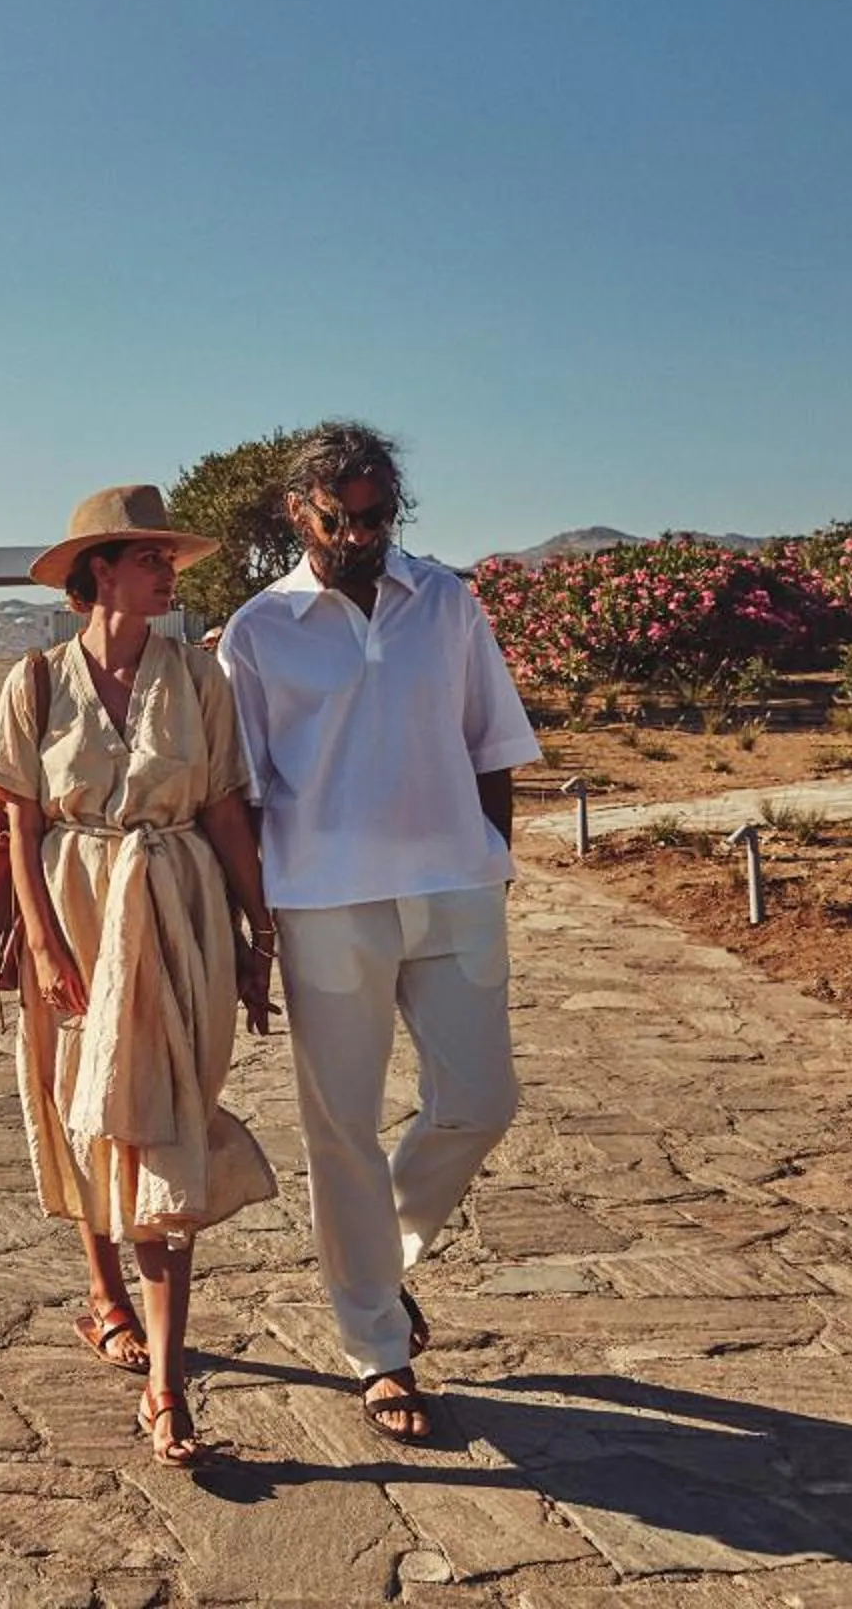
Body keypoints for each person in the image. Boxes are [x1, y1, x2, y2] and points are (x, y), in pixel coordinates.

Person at [215, 422, 541, 1447]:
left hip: (454, 886)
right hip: (323, 899)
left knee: (481, 1100)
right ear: (296, 513)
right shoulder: (258, 630)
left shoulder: (445, 600)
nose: (359, 533)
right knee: (340, 1128)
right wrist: (256, 917)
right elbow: (246, 787)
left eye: (375, 515)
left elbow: (493, 738)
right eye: (338, 516)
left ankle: (378, 1261)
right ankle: (376, 1345)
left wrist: (491, 853)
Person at [0, 484, 279, 1469]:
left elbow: (227, 806)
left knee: (164, 1117)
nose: (167, 572)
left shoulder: (198, 678)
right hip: (71, 906)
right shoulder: (35, 681)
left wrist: (258, 925)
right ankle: (107, 1299)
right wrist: (45, 940)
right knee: (80, 1107)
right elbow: (21, 823)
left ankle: (167, 1379)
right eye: (151, 557)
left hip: (179, 909)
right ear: (103, 569)